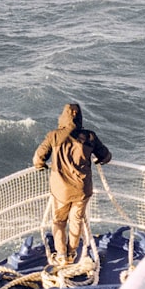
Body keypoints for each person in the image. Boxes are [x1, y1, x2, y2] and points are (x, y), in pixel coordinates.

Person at [33, 103, 112, 265]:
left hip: (60, 190)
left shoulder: (54, 136)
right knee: (76, 221)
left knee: (59, 222)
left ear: (62, 117)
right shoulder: (90, 136)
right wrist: (99, 159)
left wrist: (41, 165)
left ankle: (61, 254)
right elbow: (106, 156)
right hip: (82, 189)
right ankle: (72, 253)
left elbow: (38, 158)